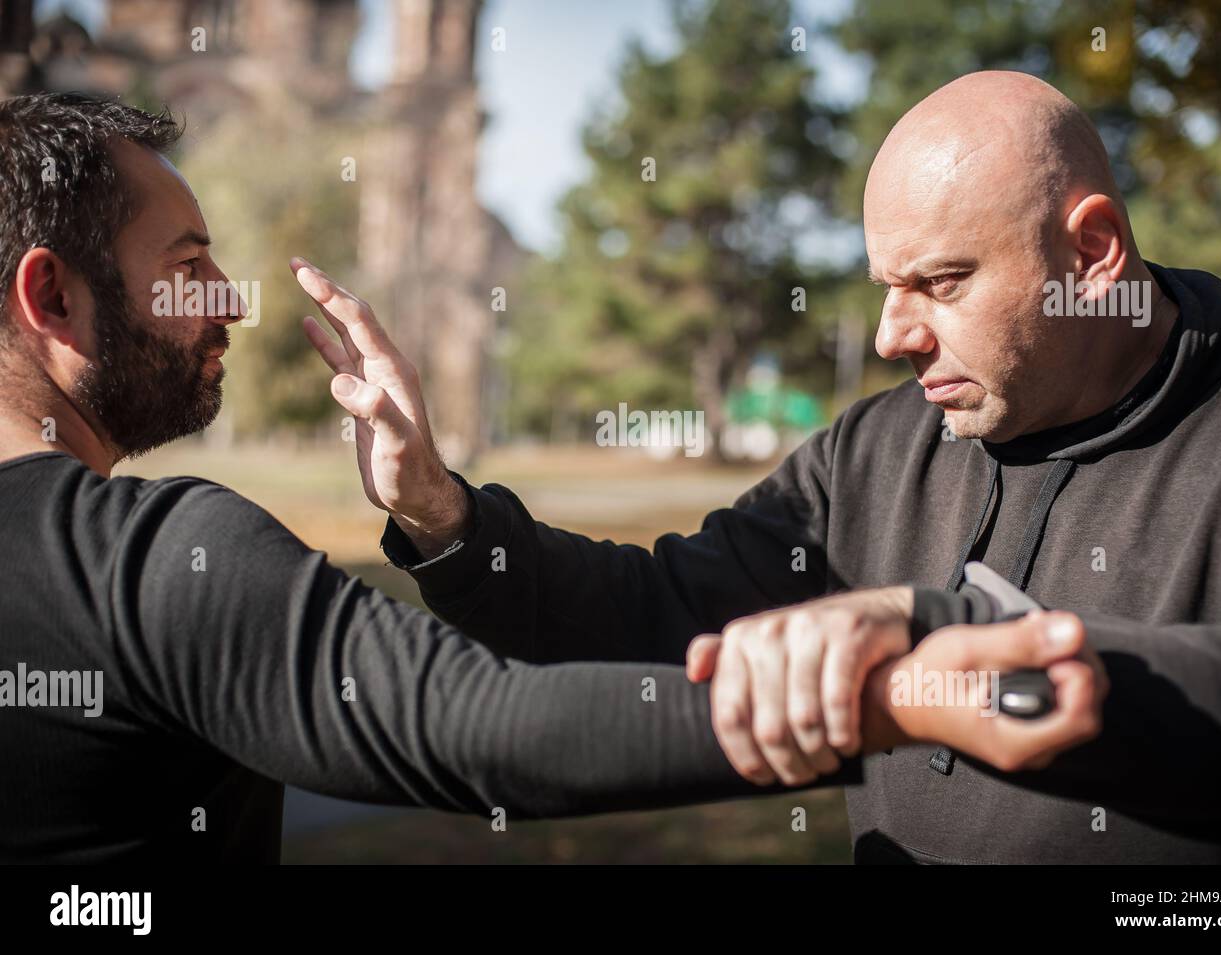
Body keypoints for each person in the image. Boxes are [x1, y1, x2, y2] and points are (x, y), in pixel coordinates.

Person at [0, 92, 1097, 863]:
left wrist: (433, 502)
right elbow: (479, 723)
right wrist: (902, 691)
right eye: (189, 270)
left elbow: (658, 600)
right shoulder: (147, 564)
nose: (230, 302)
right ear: (51, 297)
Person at [332, 71, 1221, 864]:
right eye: (887, 285)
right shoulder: (872, 449)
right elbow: (647, 614)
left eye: (941, 282)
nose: (891, 334)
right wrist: (443, 516)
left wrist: (930, 622)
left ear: (1091, 252)